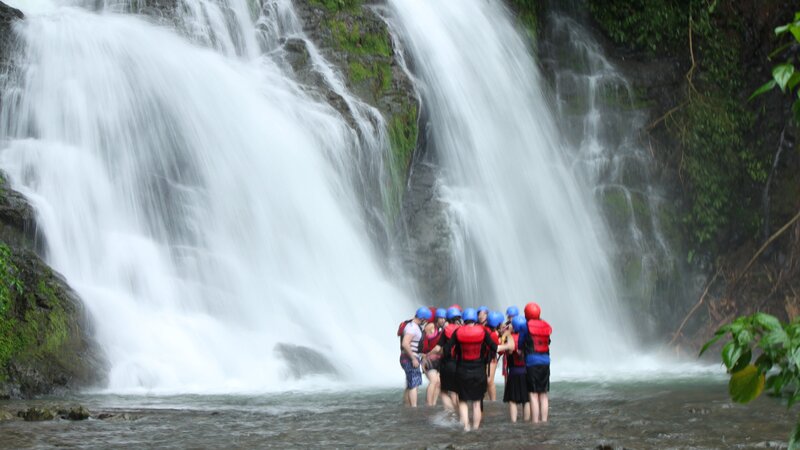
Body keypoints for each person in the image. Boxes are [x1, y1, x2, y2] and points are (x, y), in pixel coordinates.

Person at [444, 308, 513, 431]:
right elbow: (494, 347)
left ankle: (466, 427)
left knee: (463, 400)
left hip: (462, 370)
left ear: (464, 319)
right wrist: (507, 346)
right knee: (477, 402)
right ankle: (475, 428)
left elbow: (447, 349)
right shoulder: (482, 331)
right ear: (475, 320)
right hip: (479, 371)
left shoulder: (458, 332)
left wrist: (451, 360)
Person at [520, 302, 552, 422]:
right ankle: (544, 420)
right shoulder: (545, 325)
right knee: (543, 394)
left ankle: (535, 422)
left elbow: (521, 343)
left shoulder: (525, 326)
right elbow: (548, 341)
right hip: (545, 361)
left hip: (531, 362)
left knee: (533, 394)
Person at [400, 307, 431, 407]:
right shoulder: (412, 327)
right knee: (414, 384)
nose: (426, 322)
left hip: (408, 357)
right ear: (422, 318)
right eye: (425, 320)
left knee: (411, 384)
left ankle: (407, 406)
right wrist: (413, 358)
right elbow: (405, 343)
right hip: (409, 358)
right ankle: (414, 408)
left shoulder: (412, 326)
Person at [432, 306, 462, 412]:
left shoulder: (446, 331)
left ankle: (451, 413)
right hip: (461, 364)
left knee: (443, 391)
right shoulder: (463, 330)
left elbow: (437, 348)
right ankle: (459, 413)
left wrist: (427, 355)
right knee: (457, 392)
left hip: (448, 364)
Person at [503, 315, 531, 423]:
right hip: (526, 372)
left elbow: (505, 350)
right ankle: (526, 421)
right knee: (526, 400)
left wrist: (507, 333)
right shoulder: (527, 338)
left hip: (514, 372)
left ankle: (514, 422)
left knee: (512, 400)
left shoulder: (510, 338)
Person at [420, 308, 447, 406]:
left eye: (444, 318)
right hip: (428, 358)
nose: (443, 320)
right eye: (441, 318)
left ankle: (433, 403)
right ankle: (428, 404)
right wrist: (423, 356)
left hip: (438, 359)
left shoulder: (442, 328)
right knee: (433, 381)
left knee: (439, 382)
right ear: (436, 318)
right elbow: (423, 341)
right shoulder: (431, 326)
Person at [484, 311, 504, 401]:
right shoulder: (494, 335)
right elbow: (500, 352)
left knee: (488, 381)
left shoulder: (485, 330)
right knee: (489, 381)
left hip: (486, 358)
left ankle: (490, 399)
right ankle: (492, 400)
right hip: (491, 359)